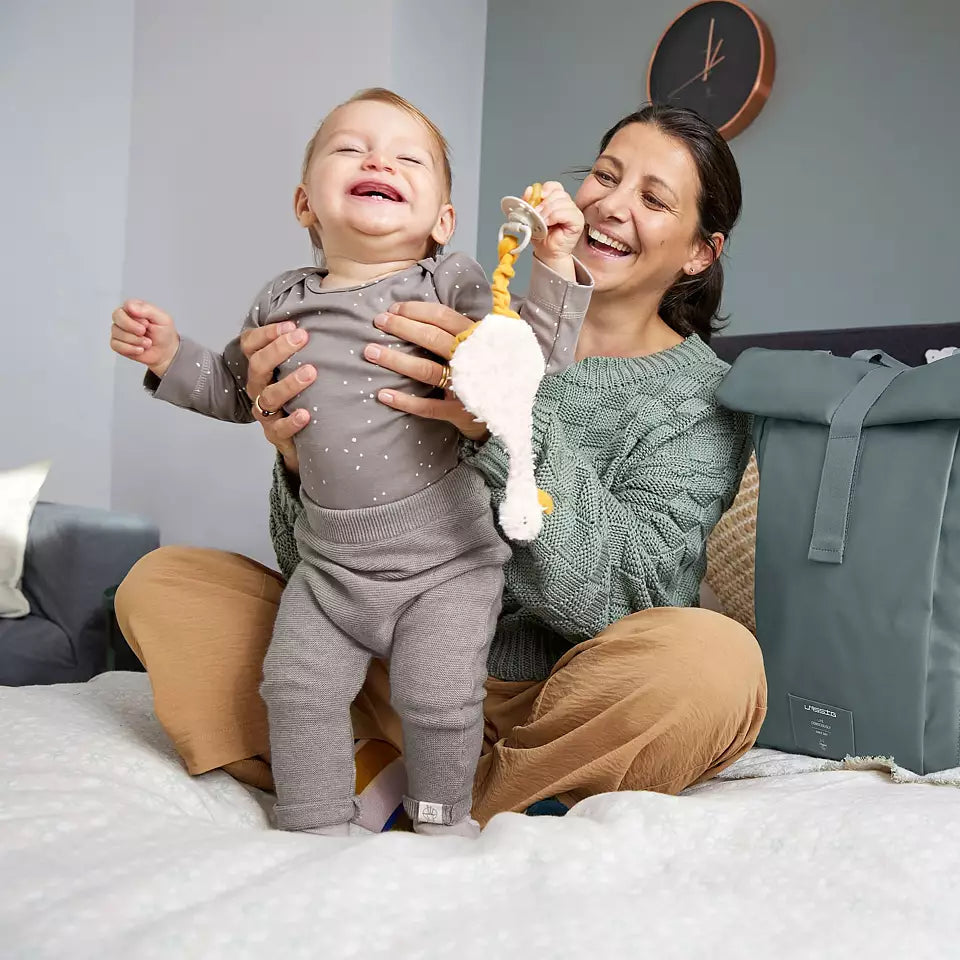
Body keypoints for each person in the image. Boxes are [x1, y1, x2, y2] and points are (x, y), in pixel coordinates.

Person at [115, 103, 767, 831]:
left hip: (551, 698)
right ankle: (412, 778)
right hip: (380, 659)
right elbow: (315, 566)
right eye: (606, 176)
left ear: (699, 254)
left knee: (714, 665)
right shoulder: (468, 309)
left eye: (652, 199)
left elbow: (632, 600)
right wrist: (298, 456)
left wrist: (499, 420)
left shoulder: (700, 395)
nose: (612, 206)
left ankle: (429, 793)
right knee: (166, 584)